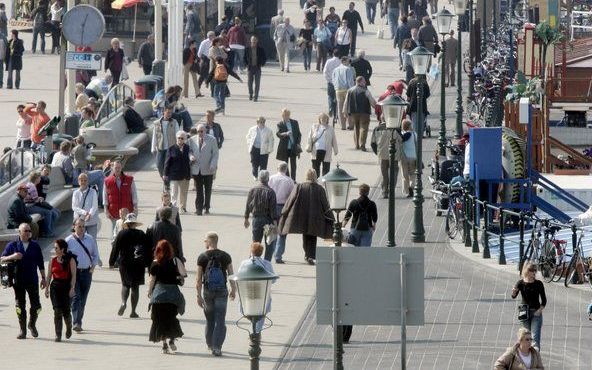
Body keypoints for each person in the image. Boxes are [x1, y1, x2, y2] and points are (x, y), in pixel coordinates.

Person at [0, 223, 45, 339]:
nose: (28, 233)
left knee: (37, 306)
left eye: (29, 231)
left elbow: (40, 263)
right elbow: (2, 259)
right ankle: (22, 329)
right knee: (20, 306)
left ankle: (32, 324)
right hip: (18, 280)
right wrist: (13, 256)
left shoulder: (35, 245)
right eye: (25, 231)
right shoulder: (13, 245)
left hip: (32, 280)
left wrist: (44, 278)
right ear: (19, 232)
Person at [279, 169, 333, 265]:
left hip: (302, 216)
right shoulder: (320, 189)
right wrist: (331, 217)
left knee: (305, 236)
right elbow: (325, 205)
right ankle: (310, 255)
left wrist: (284, 211)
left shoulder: (299, 186)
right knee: (312, 236)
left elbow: (291, 200)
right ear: (315, 176)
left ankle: (308, 255)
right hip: (315, 218)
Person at [196, 232, 236, 356]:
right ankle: (217, 347)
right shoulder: (225, 256)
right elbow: (231, 274)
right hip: (222, 291)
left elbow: (198, 279)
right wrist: (233, 289)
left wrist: (198, 296)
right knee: (220, 320)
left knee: (209, 320)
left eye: (205, 241)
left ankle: (209, 344)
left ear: (208, 242)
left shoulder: (202, 257)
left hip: (208, 291)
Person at [148, 240, 186, 354]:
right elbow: (183, 274)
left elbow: (152, 279)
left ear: (157, 250)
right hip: (173, 294)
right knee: (171, 318)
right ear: (170, 250)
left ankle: (164, 344)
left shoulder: (155, 263)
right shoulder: (175, 261)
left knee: (159, 320)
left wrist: (150, 291)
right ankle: (172, 340)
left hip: (159, 294)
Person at [109, 213, 150, 318]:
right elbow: (147, 249)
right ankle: (133, 311)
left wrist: (111, 262)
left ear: (126, 224)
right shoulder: (141, 234)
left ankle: (123, 302)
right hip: (138, 263)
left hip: (124, 263)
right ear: (135, 224)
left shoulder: (122, 233)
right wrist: (148, 263)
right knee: (135, 287)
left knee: (125, 284)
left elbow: (115, 248)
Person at [66, 218, 100, 332]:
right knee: (77, 297)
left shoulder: (90, 239)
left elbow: (96, 255)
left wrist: (92, 268)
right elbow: (64, 257)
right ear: (74, 226)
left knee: (83, 299)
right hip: (74, 274)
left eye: (83, 226)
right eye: (79, 226)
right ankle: (76, 322)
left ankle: (79, 319)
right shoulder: (68, 241)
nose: (81, 229)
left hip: (86, 272)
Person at [44, 238, 76, 343]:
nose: (55, 249)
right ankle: (58, 334)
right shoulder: (52, 260)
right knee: (57, 311)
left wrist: (72, 288)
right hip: (55, 287)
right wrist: (47, 288)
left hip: (66, 287)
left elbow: (74, 276)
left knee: (66, 311)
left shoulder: (70, 260)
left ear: (62, 249)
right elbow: (49, 275)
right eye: (54, 247)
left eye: (56, 248)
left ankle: (69, 326)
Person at [238, 242, 275, 332]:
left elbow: (239, 277)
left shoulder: (244, 263)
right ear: (261, 252)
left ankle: (254, 330)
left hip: (248, 292)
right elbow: (273, 280)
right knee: (261, 313)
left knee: (249, 311)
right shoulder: (267, 264)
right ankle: (257, 331)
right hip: (263, 293)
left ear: (251, 252)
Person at [511, 262, 547, 351]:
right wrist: (514, 292)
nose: (534, 272)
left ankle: (535, 358)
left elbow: (544, 301)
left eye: (535, 270)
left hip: (536, 313)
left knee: (535, 337)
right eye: (531, 270)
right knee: (525, 337)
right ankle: (525, 356)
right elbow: (513, 296)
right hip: (524, 313)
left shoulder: (539, 284)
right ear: (526, 271)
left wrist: (539, 310)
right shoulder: (520, 283)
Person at [244, 170, 277, 255]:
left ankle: (253, 261)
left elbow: (248, 205)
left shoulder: (252, 190)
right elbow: (273, 209)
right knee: (269, 244)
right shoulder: (271, 192)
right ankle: (266, 264)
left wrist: (246, 218)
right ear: (268, 179)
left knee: (255, 243)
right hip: (268, 221)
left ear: (259, 178)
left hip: (257, 219)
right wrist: (275, 223)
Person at [188, 123, 219, 215]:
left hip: (208, 168)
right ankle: (199, 208)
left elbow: (215, 154)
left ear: (205, 131)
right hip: (197, 169)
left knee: (208, 189)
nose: (200, 133)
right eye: (198, 131)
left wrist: (213, 164)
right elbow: (189, 151)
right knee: (199, 190)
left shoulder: (212, 139)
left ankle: (207, 207)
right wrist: (191, 157)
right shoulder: (191, 140)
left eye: (201, 131)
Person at [268, 162, 294, 264]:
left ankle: (271, 251)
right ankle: (278, 255)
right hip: (284, 207)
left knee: (271, 230)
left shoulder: (271, 178)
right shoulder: (289, 181)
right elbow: (292, 196)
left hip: (272, 206)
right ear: (286, 169)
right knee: (282, 232)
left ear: (277, 168)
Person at [371, 117, 403, 198]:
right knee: (394, 172)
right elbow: (401, 139)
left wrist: (377, 152)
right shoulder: (395, 128)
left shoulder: (377, 129)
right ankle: (391, 190)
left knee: (384, 174)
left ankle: (385, 191)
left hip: (382, 154)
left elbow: (373, 143)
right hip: (394, 155)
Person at [103, 160, 138, 234]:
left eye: (119, 167)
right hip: (114, 213)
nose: (117, 169)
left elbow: (134, 194)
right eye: (116, 167)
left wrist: (135, 207)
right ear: (112, 168)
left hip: (128, 212)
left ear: (121, 167)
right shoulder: (107, 181)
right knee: (115, 234)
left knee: (129, 233)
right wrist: (106, 210)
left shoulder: (129, 179)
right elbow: (105, 196)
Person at [343, 76, 377, 151]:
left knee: (356, 127)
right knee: (364, 128)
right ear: (359, 82)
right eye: (364, 81)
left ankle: (357, 145)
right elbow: (372, 101)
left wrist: (344, 111)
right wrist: (376, 107)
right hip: (364, 112)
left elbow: (346, 102)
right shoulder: (366, 91)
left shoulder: (350, 90)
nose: (365, 83)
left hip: (353, 112)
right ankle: (362, 145)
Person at [152, 105, 180, 189]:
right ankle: (165, 180)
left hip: (171, 148)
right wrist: (153, 148)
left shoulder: (174, 122)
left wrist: (179, 146)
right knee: (159, 165)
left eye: (171, 113)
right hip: (161, 148)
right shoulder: (157, 123)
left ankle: (167, 183)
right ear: (163, 112)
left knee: (168, 166)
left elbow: (178, 134)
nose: (169, 114)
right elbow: (154, 136)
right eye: (168, 112)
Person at [164, 131, 192, 212]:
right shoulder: (171, 148)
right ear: (176, 139)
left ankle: (183, 207)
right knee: (174, 193)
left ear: (185, 139)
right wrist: (165, 174)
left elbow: (191, 156)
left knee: (184, 193)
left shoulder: (188, 148)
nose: (180, 139)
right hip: (174, 175)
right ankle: (173, 208)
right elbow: (167, 162)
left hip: (184, 174)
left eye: (182, 138)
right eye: (178, 138)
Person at [25, 171, 60, 238]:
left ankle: (49, 231)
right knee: (48, 212)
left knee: (51, 212)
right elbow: (36, 200)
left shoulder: (30, 184)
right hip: (29, 207)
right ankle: (48, 232)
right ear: (36, 179)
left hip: (30, 205)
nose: (40, 179)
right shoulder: (32, 186)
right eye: (39, 178)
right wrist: (40, 199)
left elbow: (33, 198)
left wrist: (39, 198)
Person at [306, 113, 338, 177]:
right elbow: (309, 137)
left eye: (325, 118)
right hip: (316, 150)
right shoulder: (314, 126)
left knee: (326, 167)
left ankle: (324, 181)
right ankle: (316, 180)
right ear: (319, 119)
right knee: (315, 168)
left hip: (326, 150)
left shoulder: (330, 128)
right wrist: (308, 146)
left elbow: (334, 139)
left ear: (327, 119)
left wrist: (335, 150)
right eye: (321, 118)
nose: (323, 120)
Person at [276, 109, 302, 181]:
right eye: (284, 115)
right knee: (285, 165)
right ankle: (287, 179)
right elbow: (278, 134)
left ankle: (293, 179)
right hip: (284, 148)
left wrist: (298, 143)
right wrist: (285, 133)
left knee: (293, 165)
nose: (286, 117)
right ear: (282, 115)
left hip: (293, 147)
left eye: (287, 115)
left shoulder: (294, 122)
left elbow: (299, 134)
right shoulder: (280, 124)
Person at [72, 173, 99, 239]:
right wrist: (85, 213)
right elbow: (74, 207)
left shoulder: (93, 192)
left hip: (91, 221)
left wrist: (89, 214)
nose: (83, 182)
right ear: (78, 182)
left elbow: (94, 206)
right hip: (79, 221)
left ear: (88, 181)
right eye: (81, 180)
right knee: (79, 241)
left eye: (85, 180)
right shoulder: (76, 193)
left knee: (92, 240)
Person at [332, 56, 356, 130]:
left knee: (340, 108)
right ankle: (350, 124)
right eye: (348, 61)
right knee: (348, 108)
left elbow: (333, 79)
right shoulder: (348, 69)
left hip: (338, 90)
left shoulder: (335, 69)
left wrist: (336, 87)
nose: (349, 63)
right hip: (347, 90)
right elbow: (350, 81)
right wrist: (352, 90)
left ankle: (343, 126)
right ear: (344, 61)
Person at [244, 36, 267, 102]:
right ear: (250, 41)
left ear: (257, 41)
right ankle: (251, 93)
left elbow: (264, 57)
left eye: (255, 40)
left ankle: (256, 96)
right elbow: (244, 58)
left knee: (257, 83)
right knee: (249, 83)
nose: (253, 41)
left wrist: (262, 64)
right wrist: (246, 64)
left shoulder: (260, 49)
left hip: (257, 68)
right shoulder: (247, 48)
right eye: (252, 40)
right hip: (250, 68)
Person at [323, 50, 341, 124]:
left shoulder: (329, 61)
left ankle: (330, 108)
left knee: (330, 96)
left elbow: (325, 71)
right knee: (337, 98)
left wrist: (328, 79)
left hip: (330, 82)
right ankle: (336, 112)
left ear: (333, 54)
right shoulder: (340, 62)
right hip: (338, 83)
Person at [400, 119, 417, 197]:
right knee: (413, 174)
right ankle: (412, 187)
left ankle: (407, 191)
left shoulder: (402, 135)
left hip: (404, 157)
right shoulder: (414, 134)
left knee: (405, 175)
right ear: (409, 126)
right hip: (413, 157)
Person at [197, 31, 216, 97]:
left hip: (212, 60)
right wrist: (201, 60)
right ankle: (197, 91)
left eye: (214, 35)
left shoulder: (215, 42)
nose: (214, 37)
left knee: (212, 76)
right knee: (202, 76)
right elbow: (199, 53)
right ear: (209, 36)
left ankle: (213, 93)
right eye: (213, 35)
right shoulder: (204, 42)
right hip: (205, 60)